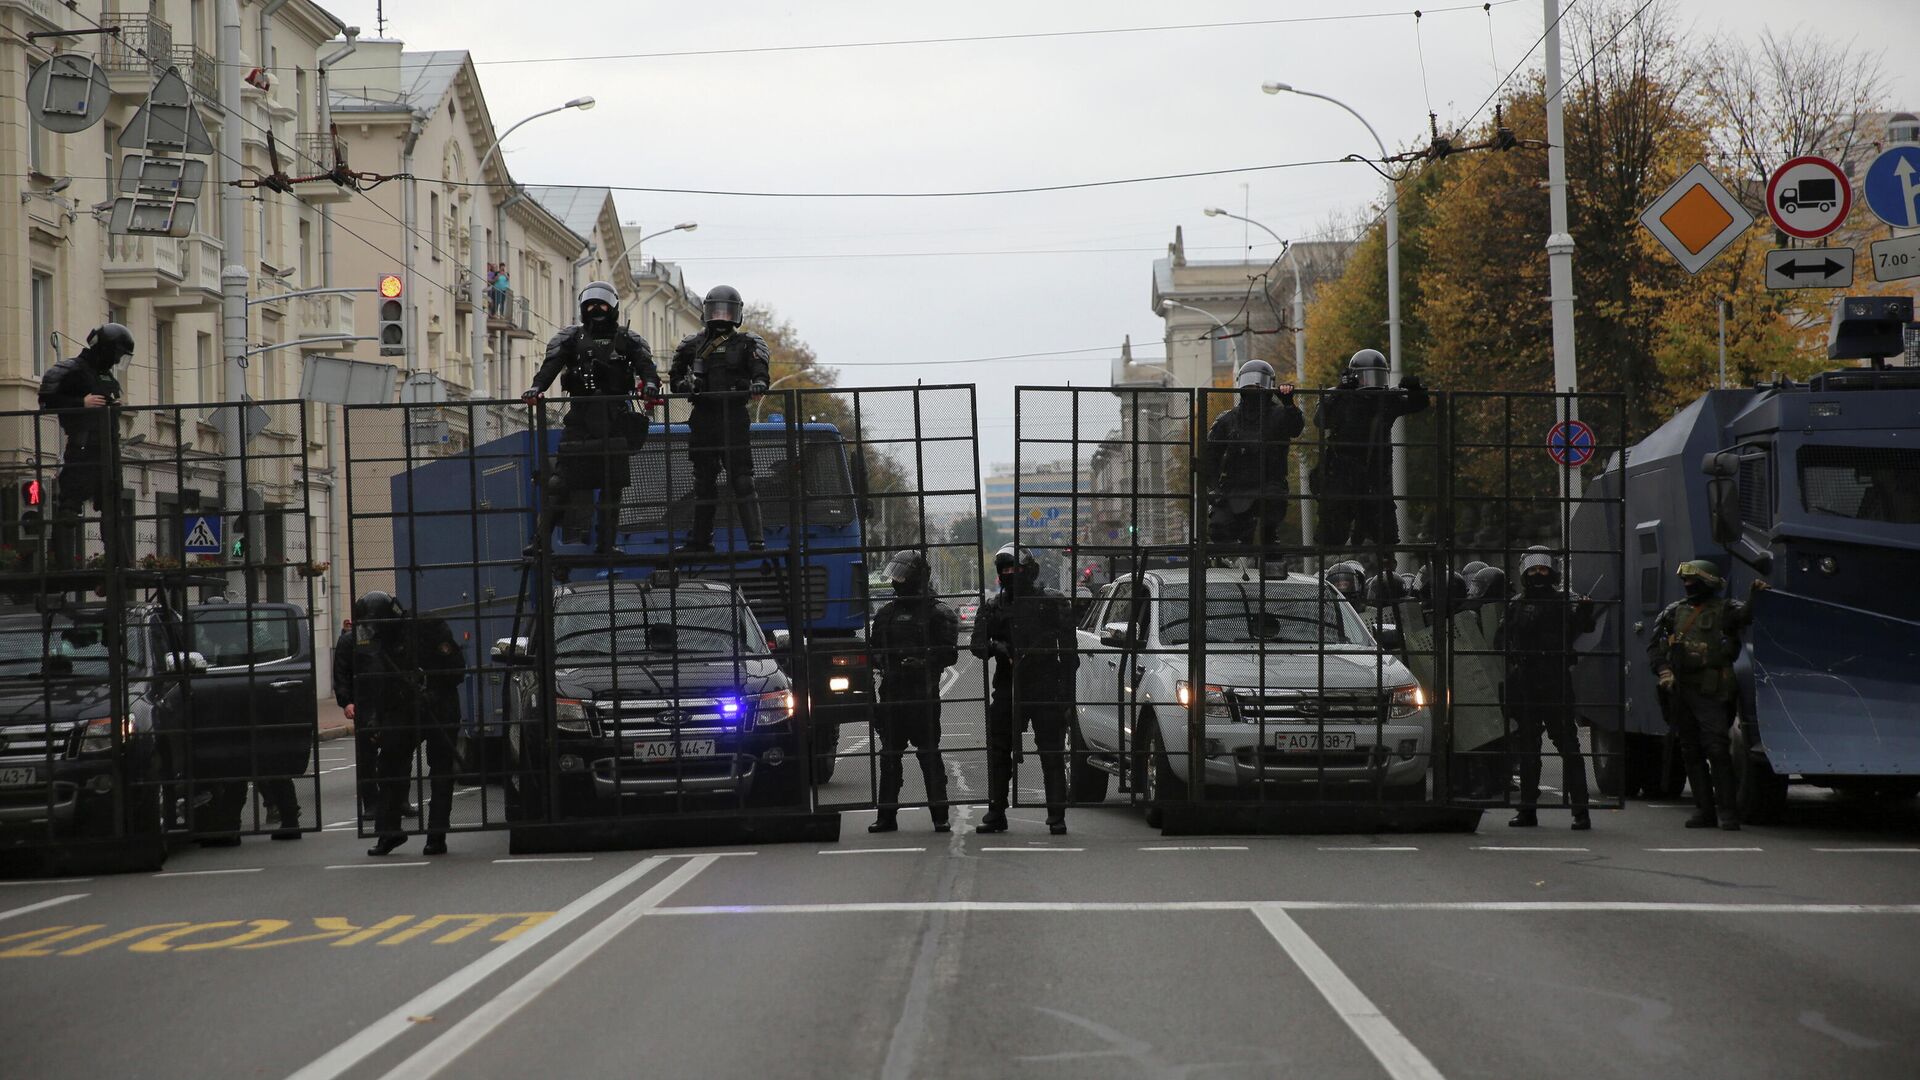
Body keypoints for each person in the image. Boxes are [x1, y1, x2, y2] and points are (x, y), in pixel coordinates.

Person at [523, 281, 658, 555]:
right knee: (560, 482)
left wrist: (651, 384)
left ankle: (606, 545)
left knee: (613, 484)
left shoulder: (627, 339)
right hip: (580, 417)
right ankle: (539, 543)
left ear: (614, 307)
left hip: (616, 418)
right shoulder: (571, 338)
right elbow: (551, 366)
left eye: (602, 304)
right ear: (583, 309)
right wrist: (537, 387)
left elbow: (646, 366)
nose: (597, 309)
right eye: (591, 305)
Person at [1648, 560, 1767, 830]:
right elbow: (1654, 648)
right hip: (1682, 689)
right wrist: (1664, 672)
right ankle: (1705, 811)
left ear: (1710, 581)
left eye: (1694, 580)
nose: (1688, 585)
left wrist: (1755, 595)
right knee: (1690, 750)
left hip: (1712, 689)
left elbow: (1746, 615)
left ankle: (1728, 812)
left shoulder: (1726, 609)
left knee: (1717, 749)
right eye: (1686, 581)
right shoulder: (1673, 612)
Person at [344, 590, 464, 856]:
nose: (372, 632)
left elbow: (456, 669)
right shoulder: (376, 640)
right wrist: (376, 719)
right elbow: (375, 681)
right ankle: (389, 832)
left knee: (441, 770)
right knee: (390, 767)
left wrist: (430, 689)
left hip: (438, 707)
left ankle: (437, 834)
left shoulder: (429, 628)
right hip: (400, 708)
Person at [970, 543, 1079, 835]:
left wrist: (1067, 694)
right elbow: (976, 645)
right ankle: (996, 812)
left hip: (1044, 685)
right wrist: (997, 646)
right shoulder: (994, 605)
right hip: (1009, 685)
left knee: (1052, 752)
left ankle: (1057, 815)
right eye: (1004, 570)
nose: (1009, 574)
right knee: (999, 750)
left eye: (1014, 569)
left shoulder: (1052, 602)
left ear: (1029, 571)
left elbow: (1070, 652)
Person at [1498, 547, 1598, 829]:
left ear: (1551, 571)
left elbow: (1583, 627)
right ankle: (1527, 810)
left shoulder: (1565, 602)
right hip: (1527, 680)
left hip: (1555, 679)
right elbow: (1500, 639)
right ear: (1524, 572)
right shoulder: (1516, 604)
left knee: (1569, 745)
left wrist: (1586, 610)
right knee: (1529, 749)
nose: (1538, 573)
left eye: (1543, 569)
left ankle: (1581, 811)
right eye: (1533, 569)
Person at [669, 285, 770, 552]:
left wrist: (758, 383)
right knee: (703, 481)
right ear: (707, 312)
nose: (721, 316)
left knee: (743, 479)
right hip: (703, 416)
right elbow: (675, 378)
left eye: (727, 311)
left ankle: (756, 540)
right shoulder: (692, 344)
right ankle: (700, 540)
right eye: (716, 310)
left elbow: (761, 372)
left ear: (736, 314)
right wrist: (686, 387)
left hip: (734, 416)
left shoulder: (749, 343)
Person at [866, 550, 961, 833]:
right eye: (895, 576)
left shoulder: (937, 612)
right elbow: (873, 653)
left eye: (902, 576)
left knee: (929, 754)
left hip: (923, 693)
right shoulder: (886, 614)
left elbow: (949, 654)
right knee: (889, 757)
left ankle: (939, 815)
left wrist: (923, 661)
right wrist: (889, 662)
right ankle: (886, 816)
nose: (896, 582)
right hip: (893, 693)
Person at [37, 323, 134, 571]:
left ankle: (119, 563)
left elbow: (104, 398)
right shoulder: (71, 370)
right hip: (83, 446)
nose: (116, 361)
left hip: (109, 447)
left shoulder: (105, 375)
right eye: (116, 355)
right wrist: (81, 402)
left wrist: (113, 405)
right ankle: (63, 564)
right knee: (69, 506)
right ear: (106, 350)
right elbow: (47, 402)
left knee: (112, 507)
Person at [1313, 349, 1429, 549]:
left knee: (1386, 533)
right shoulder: (1344, 398)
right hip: (1343, 475)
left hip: (1374, 474)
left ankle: (1387, 566)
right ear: (1354, 379)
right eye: (1366, 377)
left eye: (1376, 376)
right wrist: (1341, 390)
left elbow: (1417, 404)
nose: (1371, 383)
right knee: (1331, 532)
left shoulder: (1386, 400)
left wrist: (1416, 389)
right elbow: (1320, 420)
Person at [1204, 359, 1306, 549]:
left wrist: (1289, 404)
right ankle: (1226, 560)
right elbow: (1210, 455)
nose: (1253, 387)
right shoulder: (1229, 418)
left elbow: (1296, 428)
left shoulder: (1279, 414)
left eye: (1259, 382)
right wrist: (1214, 488)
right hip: (1235, 486)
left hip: (1270, 484)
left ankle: (1266, 543)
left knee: (1267, 529)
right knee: (1218, 528)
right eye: (1249, 382)